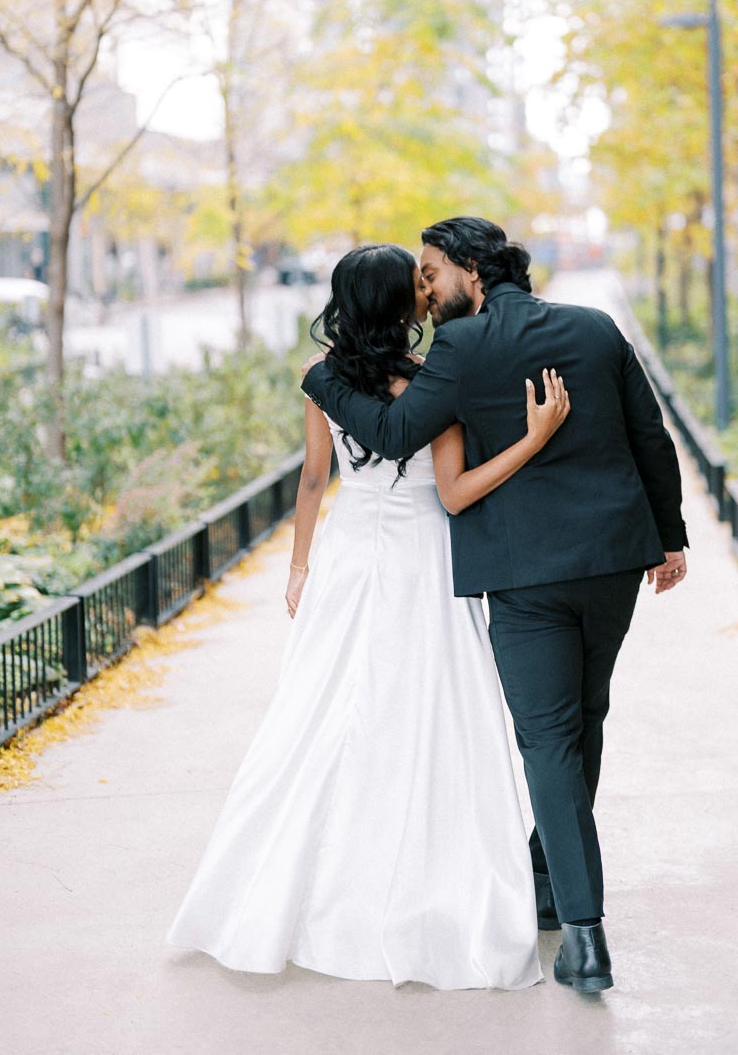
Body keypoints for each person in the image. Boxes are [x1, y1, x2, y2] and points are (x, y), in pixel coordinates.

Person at [166, 243, 571, 990]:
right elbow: (453, 491)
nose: (426, 290)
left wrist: (299, 566)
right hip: (424, 559)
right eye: (416, 284)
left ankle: (308, 886)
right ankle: (420, 887)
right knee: (428, 717)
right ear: (400, 306)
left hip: (351, 558)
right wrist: (533, 439)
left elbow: (315, 479)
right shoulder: (430, 382)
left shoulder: (323, 381)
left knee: (324, 714)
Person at [302, 217, 689, 994]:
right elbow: (652, 436)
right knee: (585, 718)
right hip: (615, 560)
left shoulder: (464, 346)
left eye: (433, 270)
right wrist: (670, 536)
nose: (426, 286)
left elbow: (390, 427)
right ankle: (549, 875)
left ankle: (583, 934)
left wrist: (325, 378)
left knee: (547, 740)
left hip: (526, 574)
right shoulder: (594, 326)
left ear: (472, 271)